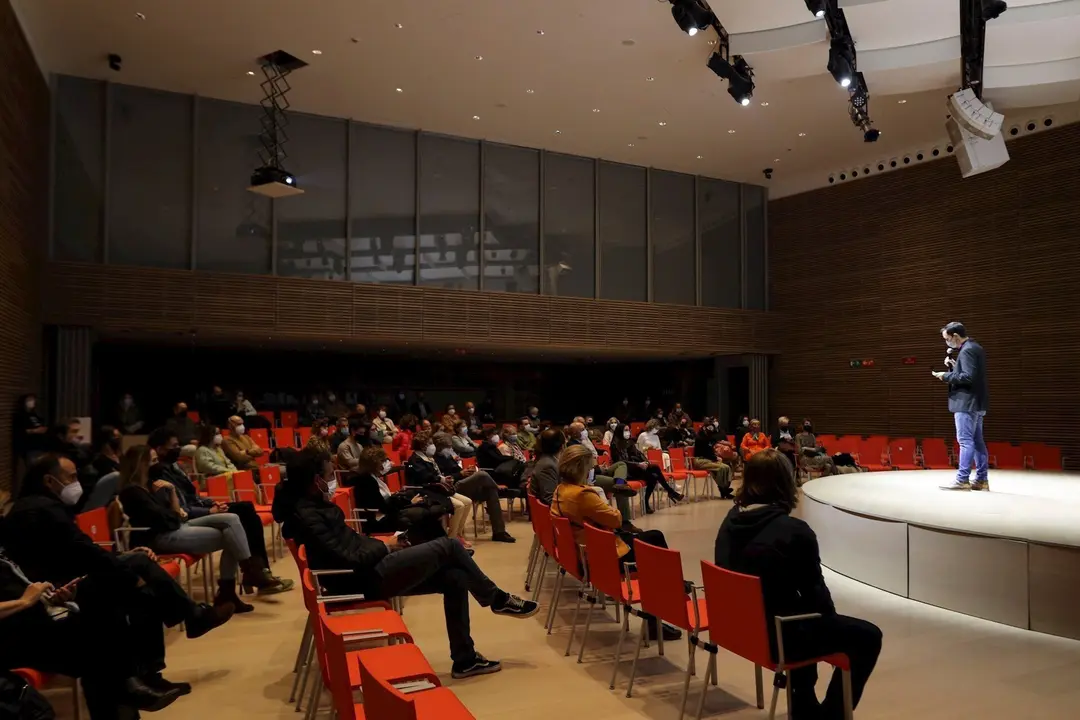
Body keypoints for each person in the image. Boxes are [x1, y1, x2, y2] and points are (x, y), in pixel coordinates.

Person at [0, 455, 234, 711]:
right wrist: (126, 573)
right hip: (50, 595)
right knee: (135, 588)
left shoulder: (36, 507)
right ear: (49, 481)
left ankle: (151, 670)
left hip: (59, 583)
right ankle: (164, 651)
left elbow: (74, 552)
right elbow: (80, 551)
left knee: (140, 581)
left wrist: (122, 560)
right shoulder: (41, 509)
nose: (78, 482)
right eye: (72, 477)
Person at [285, 448, 539, 678]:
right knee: (449, 546)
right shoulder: (309, 516)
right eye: (330, 475)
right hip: (361, 579)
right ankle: (497, 599)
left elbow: (353, 545)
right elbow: (349, 558)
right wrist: (385, 546)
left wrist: (386, 546)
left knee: (456, 578)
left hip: (367, 569)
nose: (334, 480)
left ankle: (465, 659)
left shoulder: (316, 508)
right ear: (317, 481)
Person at [714, 450, 882, 720]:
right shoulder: (794, 531)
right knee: (867, 636)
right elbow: (818, 598)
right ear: (786, 483)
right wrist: (831, 625)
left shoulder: (730, 521)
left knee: (795, 610)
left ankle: (803, 701)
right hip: (777, 639)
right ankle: (831, 715)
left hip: (738, 628)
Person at [0, 549, 187, 717]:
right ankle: (130, 690)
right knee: (96, 646)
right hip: (13, 637)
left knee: (106, 617)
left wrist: (55, 596)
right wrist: (24, 601)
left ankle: (132, 688)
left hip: (37, 619)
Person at [117, 446, 279, 609]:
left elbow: (175, 515)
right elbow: (167, 519)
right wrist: (175, 514)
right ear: (141, 464)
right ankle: (233, 588)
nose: (157, 464)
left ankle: (245, 575)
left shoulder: (153, 485)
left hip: (176, 527)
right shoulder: (132, 492)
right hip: (160, 537)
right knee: (232, 536)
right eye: (153, 461)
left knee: (233, 519)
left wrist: (171, 492)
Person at [550, 445, 681, 641]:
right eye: (590, 467)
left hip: (583, 551)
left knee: (653, 537)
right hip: (602, 558)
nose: (591, 470)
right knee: (654, 550)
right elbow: (616, 519)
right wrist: (604, 501)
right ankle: (667, 595)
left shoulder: (561, 490)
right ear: (581, 468)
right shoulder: (583, 495)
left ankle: (671, 584)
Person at [147, 428, 293, 596]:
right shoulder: (159, 477)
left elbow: (192, 496)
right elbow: (182, 509)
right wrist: (209, 510)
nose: (178, 449)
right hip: (188, 517)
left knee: (245, 508)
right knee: (240, 518)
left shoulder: (174, 467)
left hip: (197, 509)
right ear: (160, 449)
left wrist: (212, 503)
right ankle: (256, 572)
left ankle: (257, 572)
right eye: (173, 446)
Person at [933, 321, 990, 491]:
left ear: (956, 336)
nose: (947, 342)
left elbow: (967, 378)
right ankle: (981, 480)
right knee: (977, 442)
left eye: (947, 339)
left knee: (965, 441)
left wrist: (945, 375)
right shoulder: (975, 347)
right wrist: (953, 367)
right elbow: (970, 374)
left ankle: (962, 479)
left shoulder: (967, 350)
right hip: (977, 402)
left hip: (966, 403)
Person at [350, 446, 447, 544]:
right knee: (421, 515)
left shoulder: (373, 477)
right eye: (382, 461)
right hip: (379, 520)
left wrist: (403, 501)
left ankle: (441, 543)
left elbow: (386, 502)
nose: (386, 463)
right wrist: (407, 503)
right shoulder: (366, 481)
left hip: (388, 513)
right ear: (373, 464)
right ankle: (439, 544)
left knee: (426, 513)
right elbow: (382, 507)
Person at [432, 434, 515, 543]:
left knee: (490, 491)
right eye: (448, 447)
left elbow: (457, 470)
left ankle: (499, 532)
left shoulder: (447, 456)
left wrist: (467, 471)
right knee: (482, 474)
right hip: (452, 488)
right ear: (440, 447)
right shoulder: (435, 460)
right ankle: (496, 486)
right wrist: (460, 474)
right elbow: (443, 478)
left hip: (463, 484)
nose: (450, 448)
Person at [404, 432, 473, 548]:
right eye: (429, 443)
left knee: (467, 501)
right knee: (459, 506)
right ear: (422, 446)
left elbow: (436, 475)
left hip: (437, 488)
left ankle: (458, 534)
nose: (432, 446)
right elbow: (425, 477)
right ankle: (451, 539)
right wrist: (441, 479)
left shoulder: (428, 458)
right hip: (425, 491)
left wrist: (445, 479)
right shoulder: (415, 460)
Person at [609, 422, 682, 513]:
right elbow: (621, 462)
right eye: (625, 430)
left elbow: (638, 453)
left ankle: (651, 500)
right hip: (625, 472)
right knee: (654, 475)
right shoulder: (615, 445)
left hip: (635, 468)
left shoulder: (629, 442)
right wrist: (638, 464)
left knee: (654, 473)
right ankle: (669, 492)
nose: (628, 432)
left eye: (628, 430)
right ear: (620, 431)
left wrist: (646, 462)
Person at [693, 418, 734, 499]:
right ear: (704, 428)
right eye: (709, 427)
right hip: (700, 460)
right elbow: (706, 452)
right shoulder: (700, 438)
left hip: (708, 460)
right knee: (721, 468)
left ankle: (725, 488)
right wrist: (715, 458)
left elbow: (711, 450)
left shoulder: (710, 437)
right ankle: (723, 489)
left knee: (727, 467)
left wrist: (716, 457)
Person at [476, 427, 525, 492]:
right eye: (494, 434)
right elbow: (498, 458)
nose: (497, 436)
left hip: (497, 469)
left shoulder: (491, 446)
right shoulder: (485, 447)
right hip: (492, 471)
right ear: (487, 436)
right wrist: (512, 458)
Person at [13, 393, 50, 465]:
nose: (32, 402)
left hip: (41, 446)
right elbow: (20, 431)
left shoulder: (34, 414)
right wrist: (35, 431)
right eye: (29, 400)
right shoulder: (21, 415)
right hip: (30, 447)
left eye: (33, 400)